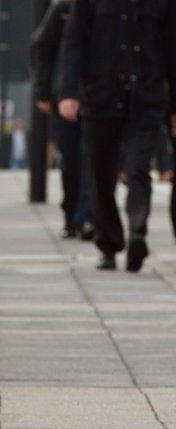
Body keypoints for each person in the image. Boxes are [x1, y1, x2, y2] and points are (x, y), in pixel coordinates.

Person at [59, 0, 176, 272]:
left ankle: (137, 232)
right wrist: (68, 92)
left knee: (138, 168)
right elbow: (74, 43)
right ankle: (109, 244)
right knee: (101, 174)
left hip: (145, 97)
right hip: (101, 97)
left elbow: (172, 49)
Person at [31, 0, 94, 240]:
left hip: (98, 96)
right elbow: (41, 48)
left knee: (94, 159)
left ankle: (88, 217)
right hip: (65, 97)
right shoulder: (63, 9)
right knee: (72, 159)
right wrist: (43, 92)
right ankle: (71, 216)